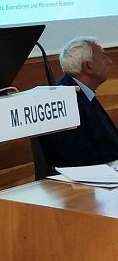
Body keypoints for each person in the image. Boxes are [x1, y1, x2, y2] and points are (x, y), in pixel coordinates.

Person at [38, 36, 118, 170]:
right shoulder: (64, 101)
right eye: (104, 57)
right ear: (88, 67)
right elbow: (79, 159)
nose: (110, 62)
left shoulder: (82, 92)